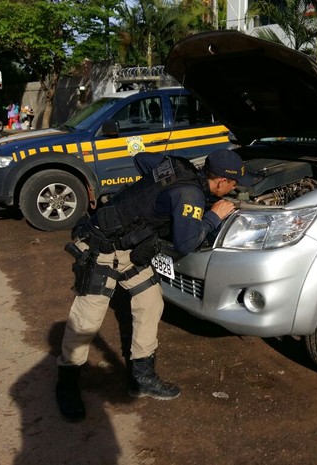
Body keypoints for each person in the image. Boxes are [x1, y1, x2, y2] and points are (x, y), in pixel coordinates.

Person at [55, 148, 251, 422]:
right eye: (232, 185)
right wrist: (213, 216)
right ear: (220, 182)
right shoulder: (190, 195)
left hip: (128, 250)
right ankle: (66, 383)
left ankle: (142, 376)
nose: (233, 190)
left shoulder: (176, 165)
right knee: (87, 318)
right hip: (100, 248)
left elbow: (141, 159)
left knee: (150, 301)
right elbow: (186, 243)